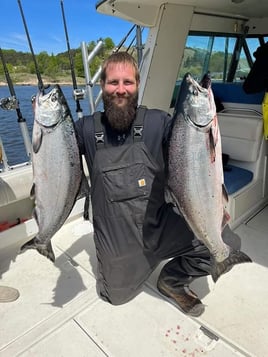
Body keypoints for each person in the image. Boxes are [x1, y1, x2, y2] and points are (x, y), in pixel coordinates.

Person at [75, 51, 241, 317]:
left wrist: (213, 201)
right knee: (114, 299)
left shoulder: (158, 122)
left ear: (137, 86)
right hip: (120, 242)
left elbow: (192, 157)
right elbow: (54, 155)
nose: (120, 90)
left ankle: (172, 280)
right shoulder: (84, 129)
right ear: (102, 86)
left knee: (224, 244)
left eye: (128, 82)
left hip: (160, 226)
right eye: (113, 82)